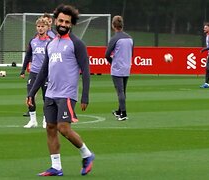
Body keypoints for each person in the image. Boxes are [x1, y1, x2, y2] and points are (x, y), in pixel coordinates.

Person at [26, 4, 94, 176]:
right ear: (55, 21)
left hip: (67, 94)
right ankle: (56, 167)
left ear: (71, 24)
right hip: (50, 93)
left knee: (63, 128)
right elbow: (43, 71)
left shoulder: (77, 44)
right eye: (61, 20)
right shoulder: (51, 44)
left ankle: (87, 154)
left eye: (67, 22)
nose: (63, 23)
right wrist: (31, 93)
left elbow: (86, 70)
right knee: (50, 127)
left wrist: (85, 95)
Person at [20, 17, 52, 128]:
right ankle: (32, 120)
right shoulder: (33, 41)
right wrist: (23, 70)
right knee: (30, 95)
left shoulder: (50, 42)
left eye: (43, 26)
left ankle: (46, 120)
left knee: (46, 97)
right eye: (38, 26)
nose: (40, 28)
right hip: (33, 72)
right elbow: (28, 55)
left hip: (46, 74)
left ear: (47, 27)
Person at [105, 15, 134, 121]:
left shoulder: (114, 39)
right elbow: (132, 54)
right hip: (127, 67)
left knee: (120, 91)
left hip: (117, 68)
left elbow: (107, 54)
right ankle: (119, 111)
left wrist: (112, 62)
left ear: (113, 26)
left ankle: (124, 114)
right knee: (123, 91)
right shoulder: (130, 38)